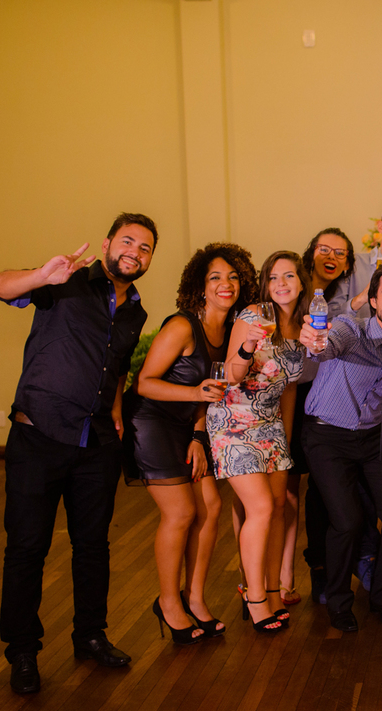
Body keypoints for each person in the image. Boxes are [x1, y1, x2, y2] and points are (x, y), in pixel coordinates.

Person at [0, 212, 157, 694]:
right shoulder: (64, 282)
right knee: (26, 548)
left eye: (145, 248)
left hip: (96, 444)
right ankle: (22, 651)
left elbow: (118, 367)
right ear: (108, 243)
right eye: (128, 241)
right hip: (37, 437)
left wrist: (118, 411)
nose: (135, 252)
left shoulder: (135, 312)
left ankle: (90, 636)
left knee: (92, 547)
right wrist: (43, 274)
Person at [125, 243, 256, 644]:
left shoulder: (229, 328)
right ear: (200, 287)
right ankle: (167, 603)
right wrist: (197, 397)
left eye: (233, 277)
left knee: (211, 508)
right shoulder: (182, 326)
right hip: (151, 421)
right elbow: (144, 383)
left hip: (188, 424)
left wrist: (199, 434)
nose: (225, 284)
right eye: (215, 277)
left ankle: (194, 599)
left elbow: (210, 391)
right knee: (181, 513)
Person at [299, 261, 382, 632]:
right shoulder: (351, 328)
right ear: (372, 300)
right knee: (348, 521)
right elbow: (325, 347)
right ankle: (338, 602)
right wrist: (315, 340)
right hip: (327, 436)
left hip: (374, 438)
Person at [208, 250, 307, 632]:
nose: (282, 284)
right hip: (233, 419)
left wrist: (285, 434)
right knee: (262, 507)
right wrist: (248, 347)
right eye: (274, 277)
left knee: (279, 505)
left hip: (271, 424)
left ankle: (268, 588)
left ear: (301, 283)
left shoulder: (303, 325)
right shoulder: (253, 315)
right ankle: (255, 599)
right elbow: (232, 375)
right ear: (266, 284)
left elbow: (288, 389)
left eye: (289, 277)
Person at [291, 227, 366, 606]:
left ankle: (322, 570)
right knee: (287, 493)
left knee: (322, 488)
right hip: (288, 393)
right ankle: (277, 580)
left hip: (326, 397)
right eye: (325, 249)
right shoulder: (293, 285)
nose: (332, 257)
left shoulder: (338, 299)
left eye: (341, 253)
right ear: (311, 252)